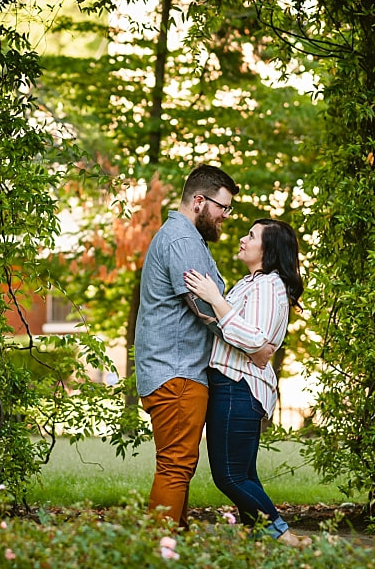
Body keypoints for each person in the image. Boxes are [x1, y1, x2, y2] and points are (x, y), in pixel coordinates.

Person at [134, 164, 273, 529]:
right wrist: (254, 347)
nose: (226, 217)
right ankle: (157, 550)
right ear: (199, 201)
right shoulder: (182, 241)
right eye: (222, 207)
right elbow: (205, 308)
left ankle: (173, 543)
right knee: (176, 464)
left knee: (178, 464)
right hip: (176, 371)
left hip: (175, 369)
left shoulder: (184, 237)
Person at [183, 218, 305, 546]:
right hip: (235, 384)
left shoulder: (268, 285)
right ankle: (259, 538)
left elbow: (254, 337)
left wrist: (214, 297)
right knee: (245, 474)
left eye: (251, 236)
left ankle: (282, 535)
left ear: (268, 249)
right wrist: (257, 344)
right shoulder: (251, 283)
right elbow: (246, 337)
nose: (242, 239)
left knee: (229, 476)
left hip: (239, 385)